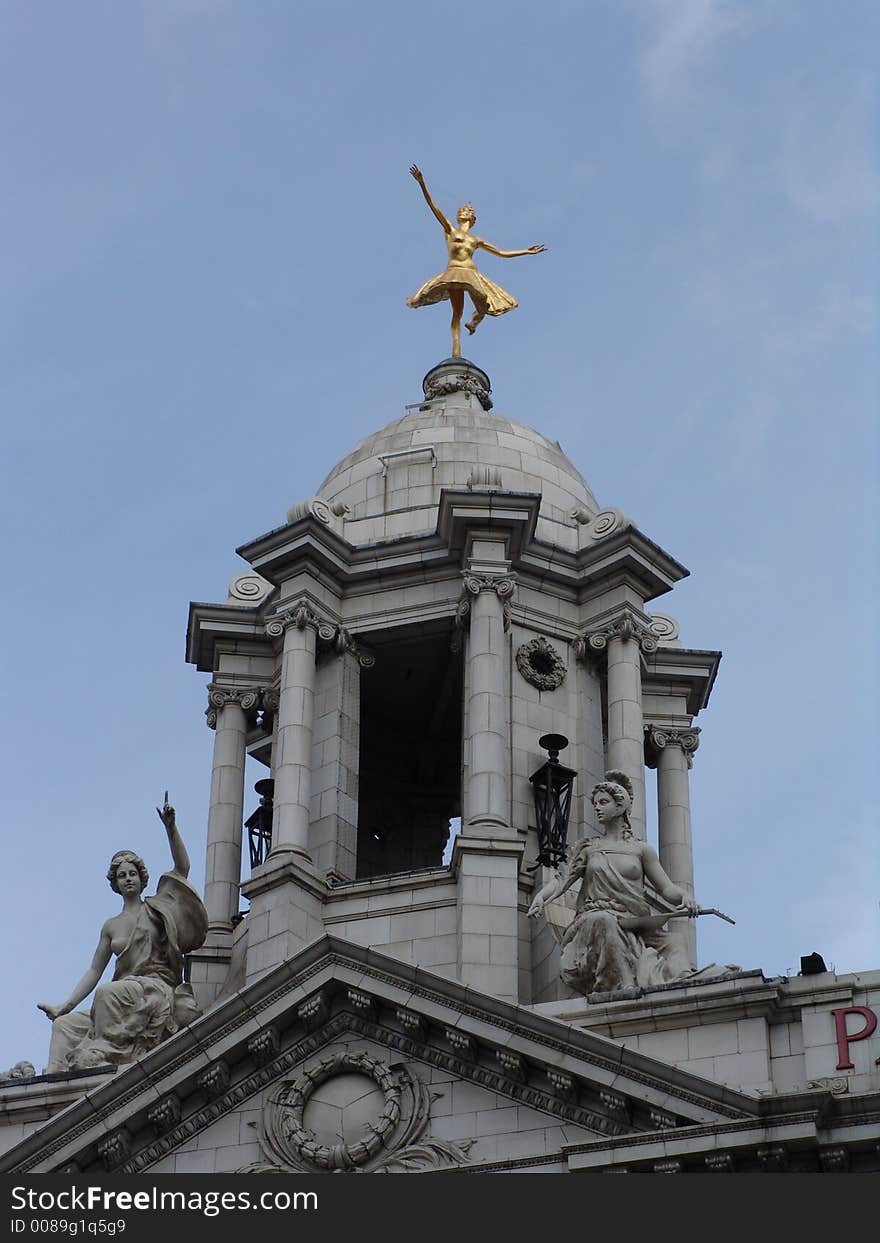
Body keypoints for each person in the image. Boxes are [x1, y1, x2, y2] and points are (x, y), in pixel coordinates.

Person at [38, 795, 208, 1072]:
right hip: (121, 999)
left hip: (153, 989)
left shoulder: (156, 909)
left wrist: (170, 828)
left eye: (132, 874)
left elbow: (182, 868)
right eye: (122, 875)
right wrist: (64, 1006)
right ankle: (56, 1086)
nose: (128, 878)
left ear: (142, 878)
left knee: (107, 993)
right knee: (65, 1027)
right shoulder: (111, 926)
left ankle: (102, 1054)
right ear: (115, 884)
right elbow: (94, 971)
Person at [527, 771, 698, 996]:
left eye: (603, 802)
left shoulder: (641, 850)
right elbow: (561, 882)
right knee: (605, 921)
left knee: (675, 940)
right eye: (595, 803)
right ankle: (625, 985)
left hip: (634, 921)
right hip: (595, 918)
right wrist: (541, 897)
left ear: (620, 807)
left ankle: (683, 986)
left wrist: (684, 897)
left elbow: (666, 888)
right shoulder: (589, 848)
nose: (597, 808)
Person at [406, 165, 546, 358]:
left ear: (472, 218)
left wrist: (527, 252)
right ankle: (456, 349)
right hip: (454, 271)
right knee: (456, 313)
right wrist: (422, 182)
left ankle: (474, 323)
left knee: (483, 303)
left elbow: (501, 253)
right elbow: (433, 207)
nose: (463, 211)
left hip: (471, 273)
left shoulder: (476, 240)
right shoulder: (450, 230)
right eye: (462, 210)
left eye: (467, 211)